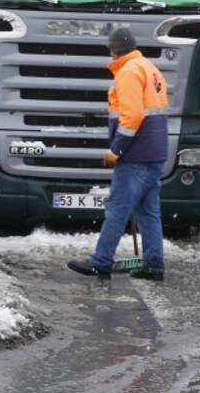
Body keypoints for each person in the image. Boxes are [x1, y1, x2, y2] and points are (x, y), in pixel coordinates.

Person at [68, 26, 168, 281]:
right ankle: (154, 265)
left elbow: (132, 116)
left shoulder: (129, 72)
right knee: (149, 212)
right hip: (154, 152)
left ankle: (101, 262)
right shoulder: (149, 67)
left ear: (113, 50)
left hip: (135, 154)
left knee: (117, 209)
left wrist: (117, 149)